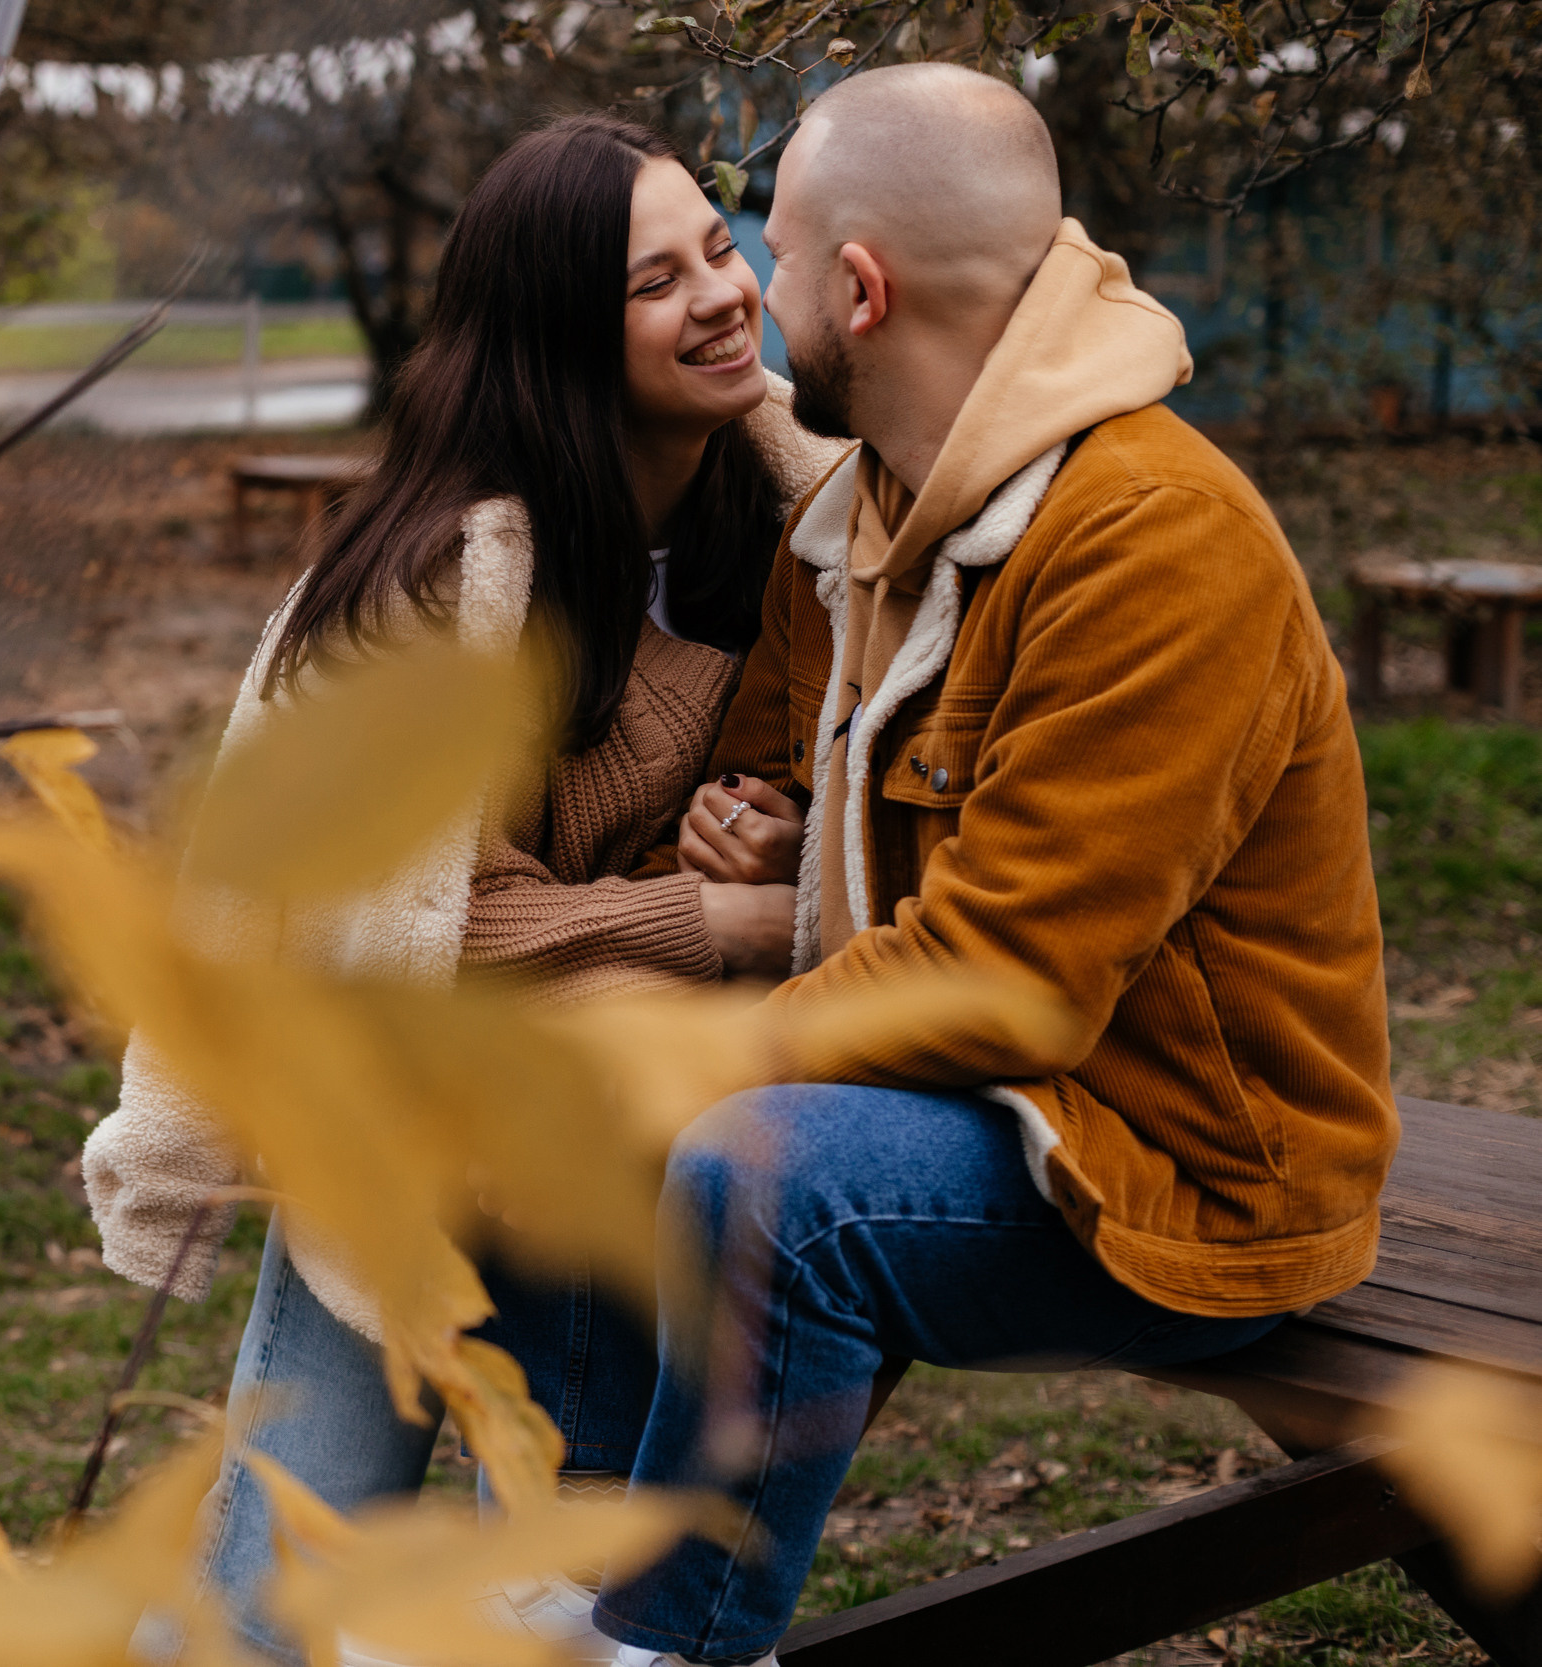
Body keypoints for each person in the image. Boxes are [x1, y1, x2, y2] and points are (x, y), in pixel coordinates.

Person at [572, 64, 1396, 1667]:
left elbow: (997, 985)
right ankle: (575, 1562)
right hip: (990, 1110)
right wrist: (746, 817)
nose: (752, 285)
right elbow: (775, 745)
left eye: (774, 251)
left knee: (768, 1178)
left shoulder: (1153, 541)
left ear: (860, 292)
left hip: (1182, 1173)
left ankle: (662, 1643)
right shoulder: (875, 509)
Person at [79, 115, 839, 1664]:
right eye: (655, 281)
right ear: (563, 328)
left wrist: (774, 851)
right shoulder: (452, 576)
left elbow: (804, 783)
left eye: (719, 244)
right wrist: (711, 919)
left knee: (541, 1570)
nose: (722, 293)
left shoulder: (769, 518)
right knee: (283, 1570)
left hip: (580, 1101)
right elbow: (416, 926)